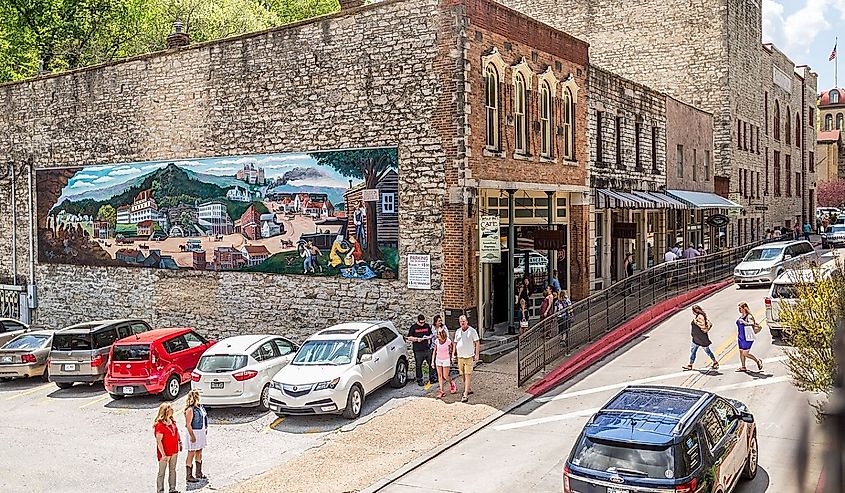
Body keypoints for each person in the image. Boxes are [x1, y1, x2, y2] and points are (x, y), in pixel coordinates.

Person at [154, 403, 182, 493]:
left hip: (174, 450)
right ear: (166, 411)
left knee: (172, 470)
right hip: (165, 453)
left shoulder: (172, 421)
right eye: (171, 409)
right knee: (161, 472)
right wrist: (163, 454)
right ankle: (160, 490)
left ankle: (172, 488)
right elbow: (159, 441)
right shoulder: (160, 425)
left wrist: (179, 442)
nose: (173, 411)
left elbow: (176, 433)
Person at [452, 315, 480, 403]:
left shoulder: (472, 331)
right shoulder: (458, 331)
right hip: (460, 356)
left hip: (468, 356)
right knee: (463, 374)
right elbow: (455, 343)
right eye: (461, 322)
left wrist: (477, 354)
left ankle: (465, 394)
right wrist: (453, 354)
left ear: (467, 321)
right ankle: (468, 388)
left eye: (464, 321)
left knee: (468, 374)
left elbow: (477, 342)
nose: (462, 323)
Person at [183, 390, 208, 483]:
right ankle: (189, 475)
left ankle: (199, 473)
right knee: (191, 453)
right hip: (194, 432)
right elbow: (188, 424)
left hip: (201, 432)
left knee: (199, 452)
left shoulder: (201, 407)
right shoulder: (190, 409)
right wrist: (192, 436)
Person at [683, 305, 719, 371]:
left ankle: (715, 362)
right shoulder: (699, 316)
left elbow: (703, 325)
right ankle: (690, 364)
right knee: (693, 351)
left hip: (701, 338)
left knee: (707, 351)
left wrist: (695, 322)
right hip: (696, 338)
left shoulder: (700, 317)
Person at [407, 314, 436, 386]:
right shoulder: (413, 327)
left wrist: (429, 337)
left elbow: (431, 334)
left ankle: (432, 378)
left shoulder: (427, 326)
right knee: (418, 365)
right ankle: (419, 379)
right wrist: (416, 339)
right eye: (421, 323)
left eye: (423, 322)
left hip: (427, 348)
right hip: (418, 350)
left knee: (431, 363)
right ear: (418, 321)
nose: (422, 324)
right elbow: (409, 338)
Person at [736, 302, 763, 372]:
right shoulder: (741, 316)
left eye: (740, 308)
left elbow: (752, 324)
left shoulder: (749, 316)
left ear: (744, 308)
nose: (739, 310)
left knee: (745, 353)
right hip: (740, 337)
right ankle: (743, 367)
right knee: (741, 352)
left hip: (747, 337)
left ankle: (757, 361)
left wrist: (744, 322)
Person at [431, 324, 454, 398]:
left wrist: (452, 356)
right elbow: (435, 351)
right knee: (440, 376)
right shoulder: (437, 341)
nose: (437, 335)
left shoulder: (448, 341)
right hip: (438, 359)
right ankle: (442, 391)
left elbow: (452, 348)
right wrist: (432, 361)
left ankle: (451, 383)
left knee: (445, 376)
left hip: (446, 359)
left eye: (438, 334)